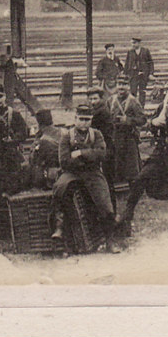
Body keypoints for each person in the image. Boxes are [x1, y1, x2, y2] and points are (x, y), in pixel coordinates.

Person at [116, 78, 168, 236]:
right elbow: (149, 126)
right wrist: (155, 123)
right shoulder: (163, 108)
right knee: (140, 178)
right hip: (162, 152)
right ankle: (127, 215)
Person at [50, 104, 119, 253]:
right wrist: (89, 156)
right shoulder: (67, 136)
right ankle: (59, 227)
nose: (84, 123)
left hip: (92, 172)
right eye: (81, 119)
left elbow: (102, 154)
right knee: (60, 188)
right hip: (72, 172)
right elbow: (64, 161)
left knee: (105, 202)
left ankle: (110, 241)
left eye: (87, 120)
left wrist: (81, 153)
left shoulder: (97, 135)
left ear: (91, 120)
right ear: (75, 119)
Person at [107, 72, 146, 189]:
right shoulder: (111, 100)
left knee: (132, 169)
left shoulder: (133, 101)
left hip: (129, 139)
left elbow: (143, 119)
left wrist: (128, 120)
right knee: (114, 166)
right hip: (115, 138)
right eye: (119, 84)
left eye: (124, 84)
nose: (121, 87)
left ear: (128, 86)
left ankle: (134, 192)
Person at [87, 85, 117, 207]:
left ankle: (111, 210)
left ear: (101, 98)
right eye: (91, 99)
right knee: (106, 182)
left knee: (106, 183)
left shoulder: (101, 112)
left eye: (95, 99)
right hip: (105, 149)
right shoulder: (98, 110)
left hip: (106, 150)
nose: (93, 102)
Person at [29, 109, 63, 189]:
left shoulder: (42, 139)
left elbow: (33, 159)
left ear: (40, 124)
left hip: (49, 177)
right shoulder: (63, 132)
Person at [124, 36, 155, 106]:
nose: (133, 45)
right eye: (132, 43)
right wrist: (126, 74)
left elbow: (150, 62)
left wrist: (151, 73)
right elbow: (127, 63)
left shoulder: (145, 51)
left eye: (134, 43)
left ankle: (141, 108)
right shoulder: (130, 52)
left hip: (143, 76)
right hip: (133, 75)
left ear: (139, 43)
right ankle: (133, 108)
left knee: (142, 93)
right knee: (133, 93)